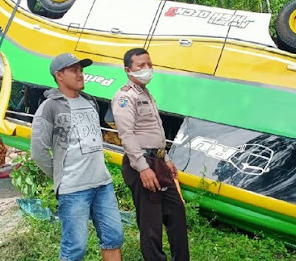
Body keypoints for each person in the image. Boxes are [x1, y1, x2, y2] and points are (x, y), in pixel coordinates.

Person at [31, 53, 123, 261]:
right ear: (59, 75)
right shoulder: (49, 107)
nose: (81, 74)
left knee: (113, 237)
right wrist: (60, 176)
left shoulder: (90, 102)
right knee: (76, 248)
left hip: (102, 184)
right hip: (73, 189)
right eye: (74, 70)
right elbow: (38, 151)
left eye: (81, 70)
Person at [112, 48, 190, 261]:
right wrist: (143, 168)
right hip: (142, 164)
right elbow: (127, 135)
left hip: (158, 161)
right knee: (151, 224)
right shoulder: (125, 97)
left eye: (149, 64)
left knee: (176, 215)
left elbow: (153, 132)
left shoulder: (146, 93)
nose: (147, 69)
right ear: (128, 70)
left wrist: (166, 159)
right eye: (141, 65)